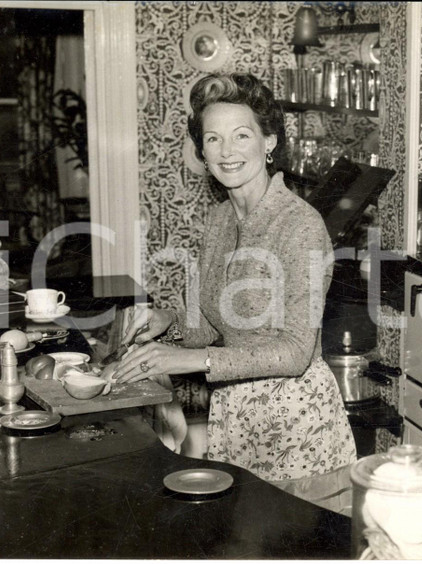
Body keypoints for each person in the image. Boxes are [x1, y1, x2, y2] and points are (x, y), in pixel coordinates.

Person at [112, 72, 356, 493]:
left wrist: (193, 361)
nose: (227, 152)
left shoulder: (299, 225)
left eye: (241, 136)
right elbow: (211, 326)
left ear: (270, 143)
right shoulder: (220, 219)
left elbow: (296, 353)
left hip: (298, 433)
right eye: (213, 139)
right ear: (202, 152)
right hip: (235, 421)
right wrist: (167, 320)